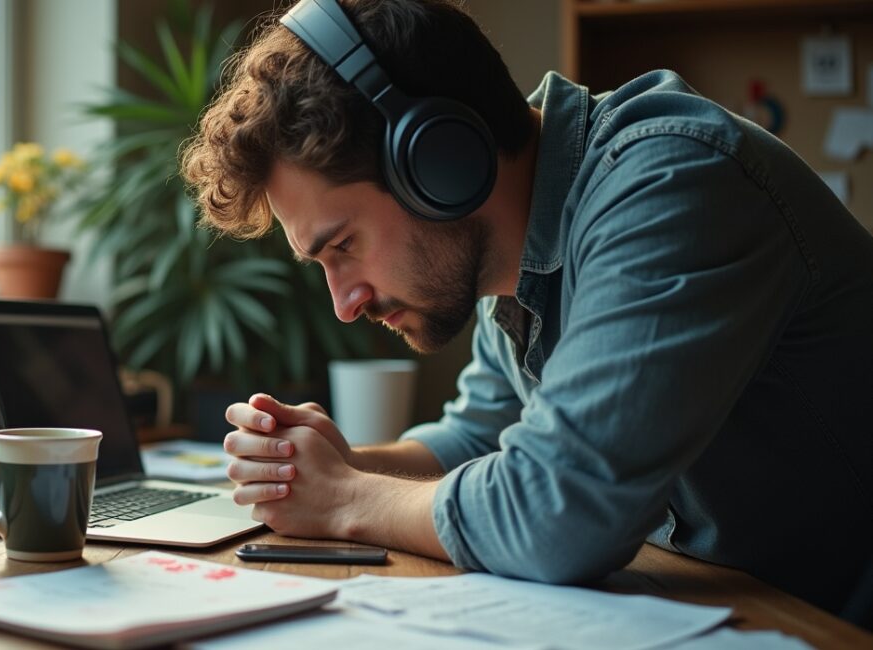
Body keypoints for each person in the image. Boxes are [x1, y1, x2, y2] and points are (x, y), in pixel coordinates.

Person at [179, 0, 873, 614]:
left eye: (344, 247)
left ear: (436, 165)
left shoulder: (671, 184)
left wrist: (345, 500)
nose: (345, 302)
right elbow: (480, 439)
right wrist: (335, 465)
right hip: (755, 608)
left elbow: (557, 510)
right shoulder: (507, 260)